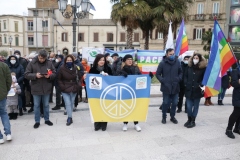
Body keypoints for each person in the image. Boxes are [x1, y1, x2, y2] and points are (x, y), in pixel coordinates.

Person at [118, 54, 153, 132]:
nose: (130, 61)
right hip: (125, 91)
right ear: (124, 61)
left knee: (135, 107)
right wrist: (121, 74)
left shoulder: (136, 68)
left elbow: (141, 78)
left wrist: (149, 77)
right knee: (126, 107)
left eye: (131, 59)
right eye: (128, 59)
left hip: (135, 91)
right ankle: (125, 123)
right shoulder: (121, 69)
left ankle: (136, 123)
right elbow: (116, 77)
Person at [24, 49, 56, 129]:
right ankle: (37, 121)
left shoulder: (49, 63)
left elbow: (54, 73)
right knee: (36, 105)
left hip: (46, 87)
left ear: (46, 58)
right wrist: (35, 75)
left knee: (46, 105)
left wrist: (49, 76)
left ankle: (47, 119)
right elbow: (26, 74)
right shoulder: (32, 63)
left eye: (43, 58)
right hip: (36, 88)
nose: (42, 60)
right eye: (40, 58)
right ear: (38, 56)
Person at [156, 48, 182, 124]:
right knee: (165, 103)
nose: (172, 55)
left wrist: (178, 79)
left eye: (173, 54)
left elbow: (181, 72)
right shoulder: (162, 63)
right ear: (167, 54)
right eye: (170, 54)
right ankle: (164, 117)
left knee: (174, 103)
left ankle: (172, 117)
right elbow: (157, 74)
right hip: (166, 87)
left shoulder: (177, 62)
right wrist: (163, 80)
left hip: (175, 86)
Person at [88, 54, 113, 131]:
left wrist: (108, 76)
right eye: (100, 60)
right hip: (95, 93)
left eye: (103, 60)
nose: (102, 61)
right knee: (96, 108)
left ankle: (104, 124)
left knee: (105, 108)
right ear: (97, 61)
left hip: (106, 92)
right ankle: (97, 124)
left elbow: (113, 79)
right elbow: (88, 81)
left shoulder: (108, 68)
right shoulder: (92, 69)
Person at [58, 55, 82, 126]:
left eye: (70, 60)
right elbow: (59, 79)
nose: (69, 62)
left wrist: (78, 86)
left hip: (74, 87)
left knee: (71, 103)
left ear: (73, 61)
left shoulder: (75, 67)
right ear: (65, 61)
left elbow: (79, 77)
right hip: (65, 88)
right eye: (68, 60)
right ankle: (69, 118)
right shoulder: (62, 68)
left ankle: (70, 115)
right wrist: (62, 87)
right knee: (68, 103)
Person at [184, 54, 207, 128]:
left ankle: (193, 121)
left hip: (197, 90)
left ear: (200, 59)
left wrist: (199, 84)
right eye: (194, 58)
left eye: (197, 58)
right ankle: (189, 119)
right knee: (188, 106)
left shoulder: (203, 69)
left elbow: (204, 79)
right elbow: (185, 76)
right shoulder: (189, 67)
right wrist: (186, 83)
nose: (195, 59)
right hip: (189, 89)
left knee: (196, 106)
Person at [225, 69, 240, 139]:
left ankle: (237, 128)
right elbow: (233, 83)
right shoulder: (236, 71)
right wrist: (238, 81)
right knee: (236, 112)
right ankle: (228, 129)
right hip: (238, 96)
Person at [0, 61, 12, 144]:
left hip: (2, 93)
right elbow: (9, 80)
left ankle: (0, 138)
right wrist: (6, 91)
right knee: (4, 113)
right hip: (2, 94)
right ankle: (8, 134)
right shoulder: (4, 66)